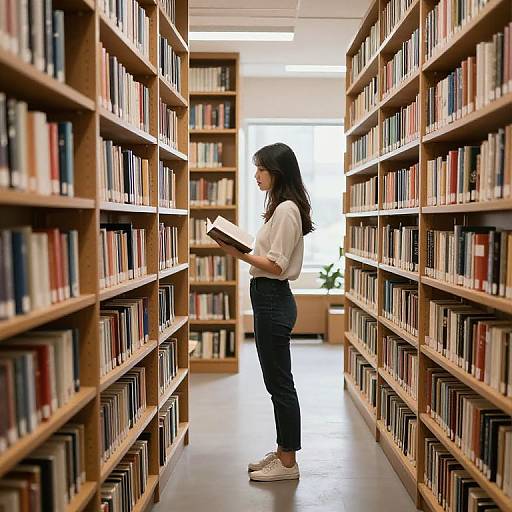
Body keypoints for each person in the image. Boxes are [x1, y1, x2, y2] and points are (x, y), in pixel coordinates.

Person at [216, 142, 314, 482]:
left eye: (261, 169)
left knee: (280, 384)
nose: (256, 175)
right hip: (267, 298)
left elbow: (275, 265)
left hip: (273, 297)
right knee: (276, 382)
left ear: (277, 172)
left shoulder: (287, 209)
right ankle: (283, 451)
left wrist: (236, 253)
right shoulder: (280, 208)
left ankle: (288, 463)